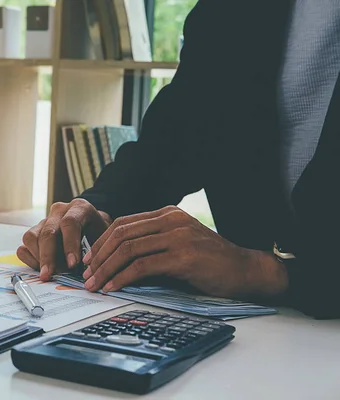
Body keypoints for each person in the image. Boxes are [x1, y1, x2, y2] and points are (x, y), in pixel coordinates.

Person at [17, 0, 340, 319]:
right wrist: (99, 208)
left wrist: (262, 271)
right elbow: (177, 133)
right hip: (254, 324)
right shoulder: (231, 9)